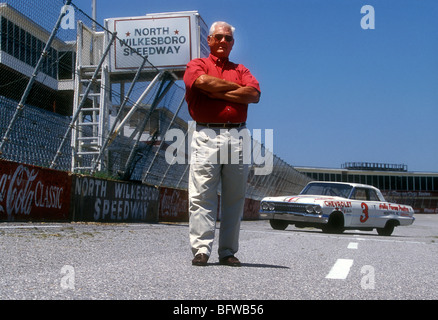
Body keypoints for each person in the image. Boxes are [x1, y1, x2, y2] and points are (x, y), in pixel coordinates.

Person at [183, 21, 261, 266]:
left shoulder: (241, 69)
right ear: (209, 40)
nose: (223, 42)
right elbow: (202, 83)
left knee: (234, 196)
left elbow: (254, 94)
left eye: (228, 38)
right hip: (206, 134)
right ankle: (201, 250)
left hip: (237, 135)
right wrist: (236, 89)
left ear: (232, 43)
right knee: (202, 194)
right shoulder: (197, 65)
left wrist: (218, 92)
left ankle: (227, 251)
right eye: (218, 37)